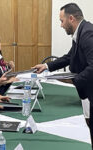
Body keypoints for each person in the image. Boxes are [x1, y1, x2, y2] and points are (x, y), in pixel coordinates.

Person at [33, 3, 93, 148]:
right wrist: (47, 66)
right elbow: (69, 57)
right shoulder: (81, 31)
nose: (61, 25)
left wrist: (73, 80)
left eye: (61, 21)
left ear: (71, 18)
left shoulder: (87, 34)